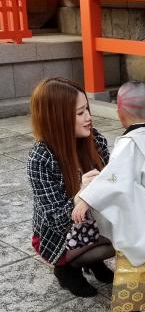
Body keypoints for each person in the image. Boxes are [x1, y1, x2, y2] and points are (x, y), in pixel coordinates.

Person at [72, 81, 145, 312]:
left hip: (140, 219)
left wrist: (86, 199)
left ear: (120, 114)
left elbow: (113, 178)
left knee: (137, 260)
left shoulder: (129, 144)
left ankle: (136, 308)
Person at [27, 77, 115, 298]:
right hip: (59, 235)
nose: (88, 118)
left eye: (87, 109)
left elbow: (114, 184)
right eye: (79, 113)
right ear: (57, 118)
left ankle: (93, 262)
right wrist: (80, 195)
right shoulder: (40, 158)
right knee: (118, 241)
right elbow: (55, 220)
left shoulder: (95, 140)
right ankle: (66, 268)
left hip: (93, 222)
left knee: (133, 233)